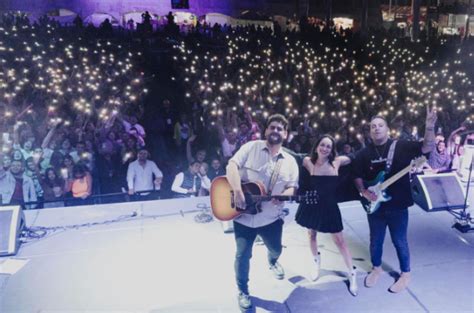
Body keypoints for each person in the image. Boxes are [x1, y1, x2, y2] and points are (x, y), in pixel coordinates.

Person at [353, 106, 437, 293]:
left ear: (387, 129)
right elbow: (356, 175)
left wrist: (429, 126)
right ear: (370, 131)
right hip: (375, 207)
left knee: (400, 241)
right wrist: (363, 191)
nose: (376, 128)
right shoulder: (364, 154)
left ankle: (405, 274)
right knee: (375, 241)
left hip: (398, 206)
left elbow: (427, 147)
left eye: (380, 125)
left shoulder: (402, 146)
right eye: (373, 126)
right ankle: (376, 269)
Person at [226, 114, 299, 310]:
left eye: (279, 129)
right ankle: (243, 290)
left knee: (276, 248)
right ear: (265, 130)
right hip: (242, 216)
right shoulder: (251, 147)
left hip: (271, 218)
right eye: (272, 127)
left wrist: (284, 195)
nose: (275, 131)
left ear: (285, 134)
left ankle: (272, 261)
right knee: (242, 256)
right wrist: (237, 190)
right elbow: (231, 165)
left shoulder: (290, 162)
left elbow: (293, 188)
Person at [295, 135, 358, 296]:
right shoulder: (308, 162)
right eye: (322, 145)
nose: (325, 148)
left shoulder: (337, 162)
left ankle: (352, 273)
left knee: (340, 241)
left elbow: (354, 157)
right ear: (317, 146)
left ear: (332, 150)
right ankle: (316, 261)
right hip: (313, 204)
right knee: (311, 235)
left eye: (328, 147)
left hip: (330, 206)